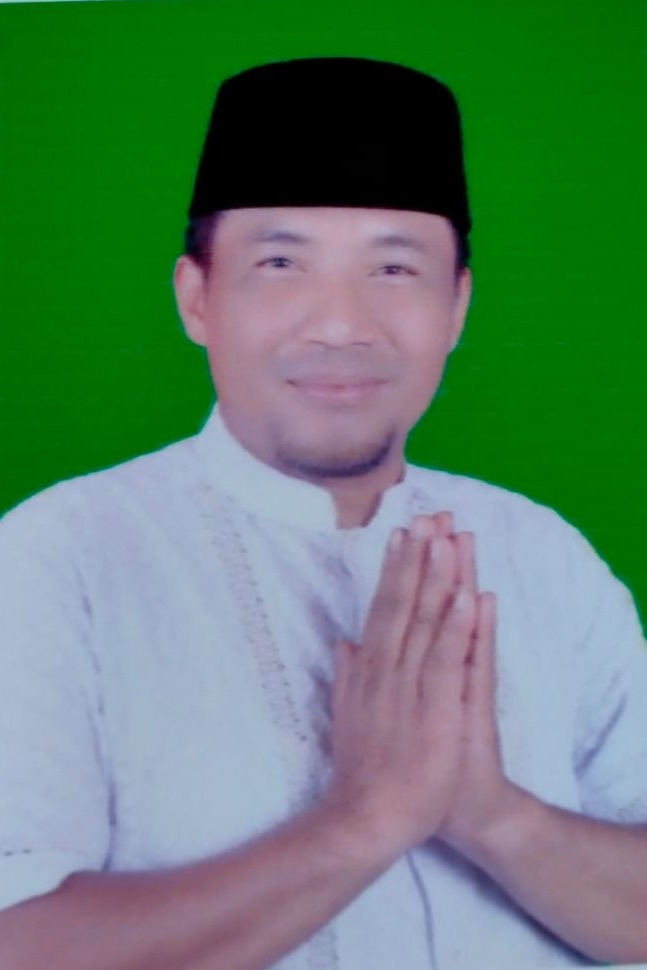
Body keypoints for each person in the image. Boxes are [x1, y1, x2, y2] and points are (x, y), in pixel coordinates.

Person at [0, 56, 646, 970]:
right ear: (196, 298)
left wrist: (494, 815)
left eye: (393, 267)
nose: (341, 325)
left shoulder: (542, 554)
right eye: (280, 263)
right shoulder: (59, 557)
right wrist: (364, 820)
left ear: (456, 306)